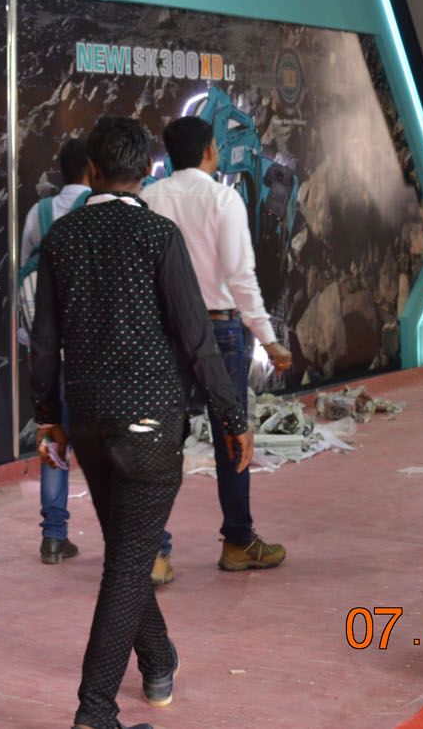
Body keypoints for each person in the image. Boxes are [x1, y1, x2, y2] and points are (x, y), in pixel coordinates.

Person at [32, 115, 253, 728]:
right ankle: (94, 712)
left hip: (88, 420)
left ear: (93, 169)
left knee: (127, 552)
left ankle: (158, 661)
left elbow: (44, 340)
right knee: (129, 562)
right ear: (146, 170)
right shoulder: (158, 235)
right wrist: (232, 414)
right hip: (150, 422)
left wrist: (47, 417)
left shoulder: (62, 237)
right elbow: (196, 337)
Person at [141, 114, 293, 581]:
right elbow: (240, 276)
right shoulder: (223, 199)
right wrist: (269, 339)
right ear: (211, 151)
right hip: (220, 331)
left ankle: (154, 552)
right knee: (233, 434)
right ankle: (238, 541)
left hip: (166, 331)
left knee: (161, 439)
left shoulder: (149, 199)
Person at [20, 135, 93, 565]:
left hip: (47, 348)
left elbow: (26, 268)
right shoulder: (98, 212)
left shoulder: (39, 213)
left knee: (52, 437)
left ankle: (53, 536)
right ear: (93, 169)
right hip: (89, 351)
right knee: (105, 448)